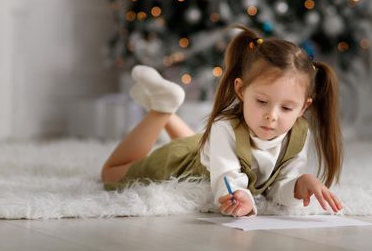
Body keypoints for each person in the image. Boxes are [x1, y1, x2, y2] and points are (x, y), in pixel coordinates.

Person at [101, 25, 344, 217]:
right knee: (110, 174)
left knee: (204, 144)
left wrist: (301, 183)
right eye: (261, 102)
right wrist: (241, 196)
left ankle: (166, 107)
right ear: (240, 90)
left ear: (304, 107)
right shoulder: (224, 128)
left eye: (288, 107)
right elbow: (226, 176)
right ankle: (161, 110)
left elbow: (278, 187)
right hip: (181, 162)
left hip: (205, 147)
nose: (272, 115)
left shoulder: (299, 134)